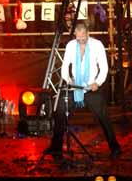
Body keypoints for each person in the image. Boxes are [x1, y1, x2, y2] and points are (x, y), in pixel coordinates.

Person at [44, 22, 121, 160]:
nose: (81, 40)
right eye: (78, 38)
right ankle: (56, 147)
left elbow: (104, 67)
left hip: (91, 87)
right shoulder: (70, 45)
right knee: (60, 111)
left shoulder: (97, 45)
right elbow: (65, 67)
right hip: (75, 87)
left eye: (83, 37)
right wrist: (69, 80)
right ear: (75, 35)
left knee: (103, 117)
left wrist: (97, 83)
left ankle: (115, 147)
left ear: (87, 33)